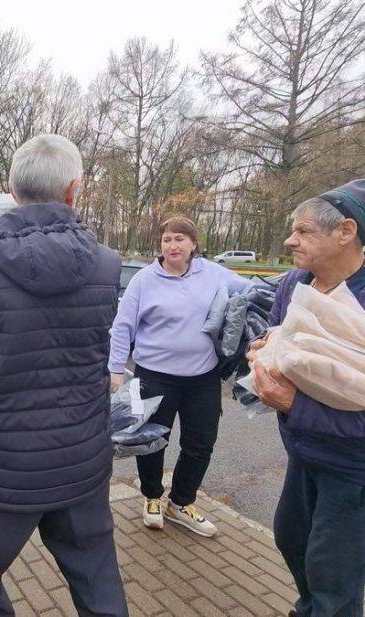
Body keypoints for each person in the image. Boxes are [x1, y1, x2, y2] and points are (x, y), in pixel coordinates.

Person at [0, 134, 128, 616]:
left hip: (5, 470)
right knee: (97, 578)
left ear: (10, 191)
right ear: (74, 190)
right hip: (81, 459)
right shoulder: (107, 264)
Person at [250, 179, 365, 617]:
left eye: (305, 231)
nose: (290, 239)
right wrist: (263, 354)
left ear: (345, 232)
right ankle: (312, 607)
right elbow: (279, 343)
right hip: (311, 450)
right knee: (291, 538)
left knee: (335, 576)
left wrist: (294, 405)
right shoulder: (296, 283)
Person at [108, 216, 251, 537]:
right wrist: (116, 369)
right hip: (154, 377)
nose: (172, 246)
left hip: (202, 379)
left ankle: (181, 503)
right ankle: (152, 498)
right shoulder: (144, 280)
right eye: (167, 240)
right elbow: (122, 326)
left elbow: (251, 291)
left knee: (200, 443)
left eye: (179, 239)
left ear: (193, 245)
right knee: (151, 441)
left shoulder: (214, 273)